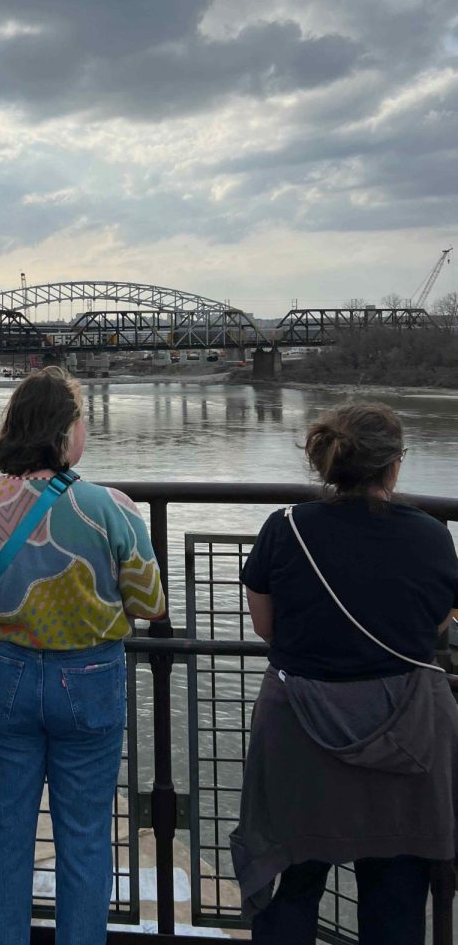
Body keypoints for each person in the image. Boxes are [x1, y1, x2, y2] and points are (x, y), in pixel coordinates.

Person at [0, 366, 166, 945]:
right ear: (65, 432)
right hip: (90, 679)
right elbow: (152, 603)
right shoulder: (111, 506)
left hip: (3, 676)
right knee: (86, 837)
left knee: (4, 835)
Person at [232, 402, 458, 945]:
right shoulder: (431, 536)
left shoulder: (285, 528)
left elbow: (266, 627)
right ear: (393, 466)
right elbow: (437, 624)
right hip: (405, 738)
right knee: (396, 896)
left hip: (299, 736)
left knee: (293, 887)